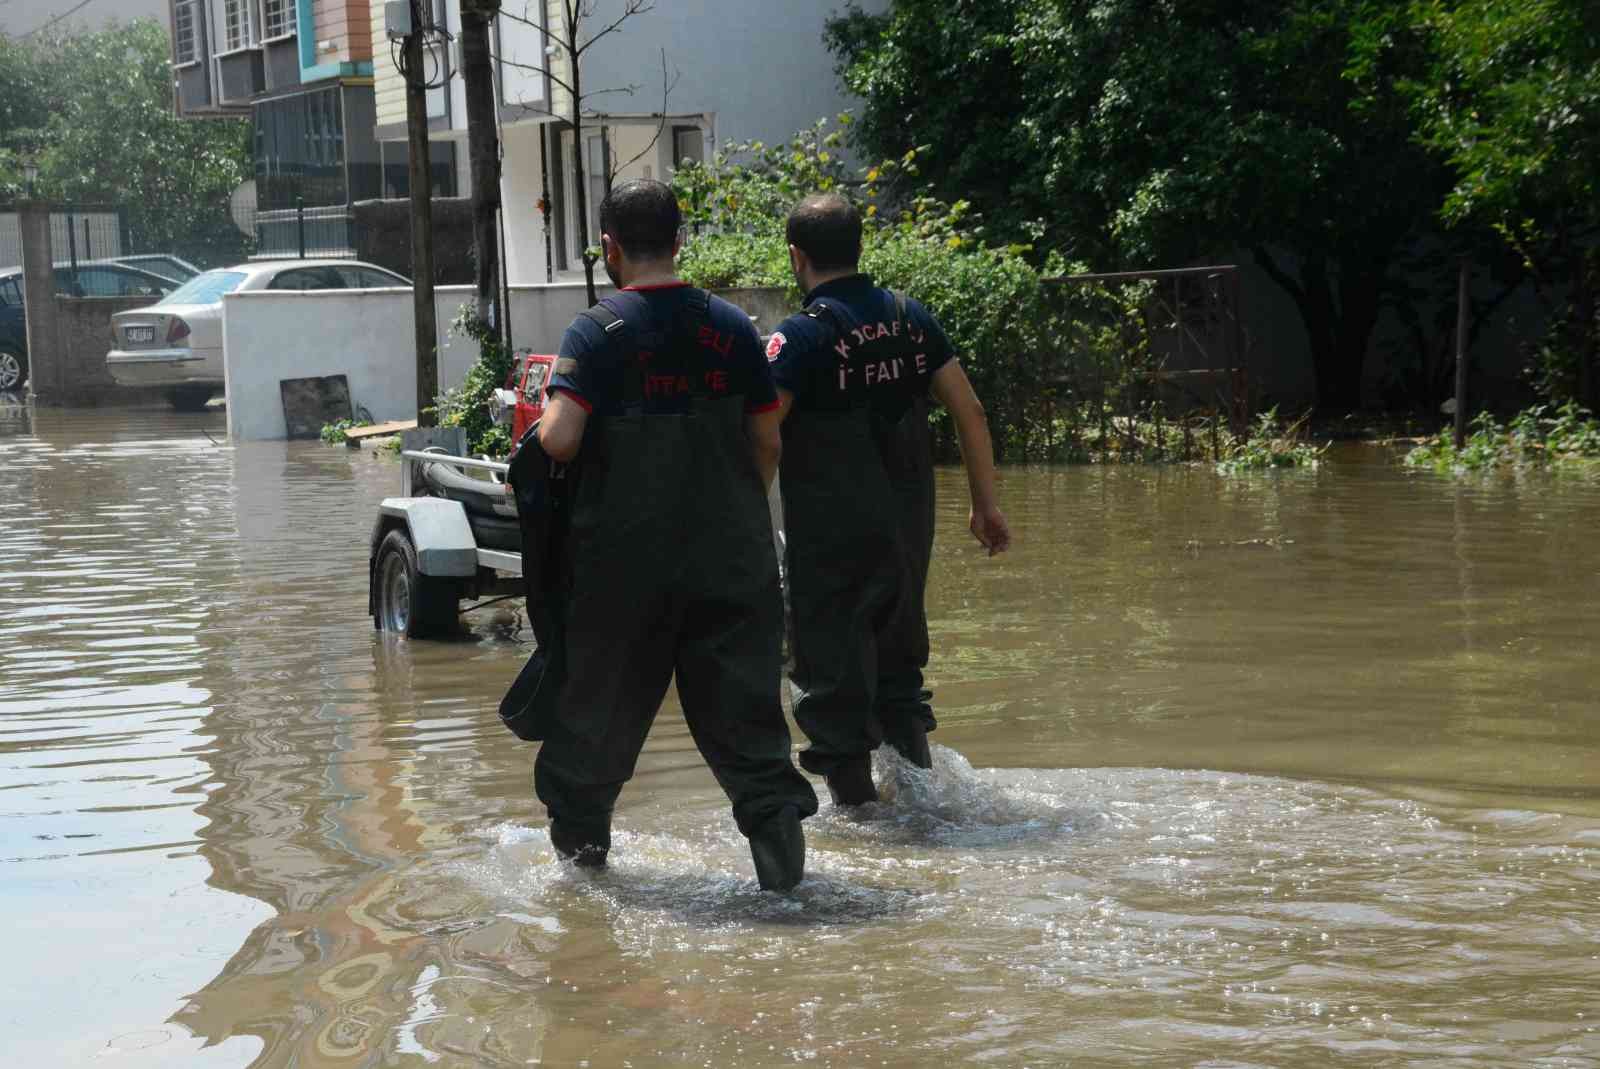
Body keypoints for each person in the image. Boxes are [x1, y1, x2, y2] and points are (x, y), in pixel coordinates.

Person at [533, 178, 818, 890]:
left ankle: (583, 910)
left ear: (609, 248)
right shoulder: (733, 327)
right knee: (754, 738)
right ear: (680, 241)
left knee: (591, 744)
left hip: (623, 573)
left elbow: (561, 441)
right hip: (733, 563)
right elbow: (767, 442)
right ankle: (786, 893)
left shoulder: (596, 331)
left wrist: (544, 410)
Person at [768, 192, 1011, 806]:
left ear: (797, 257)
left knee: (830, 683)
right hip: (906, 537)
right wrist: (986, 507)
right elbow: (971, 412)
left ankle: (863, 824)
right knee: (900, 673)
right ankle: (923, 806)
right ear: (859, 247)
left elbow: (764, 436)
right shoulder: (912, 318)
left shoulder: (798, 338)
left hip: (829, 545)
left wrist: (738, 516)